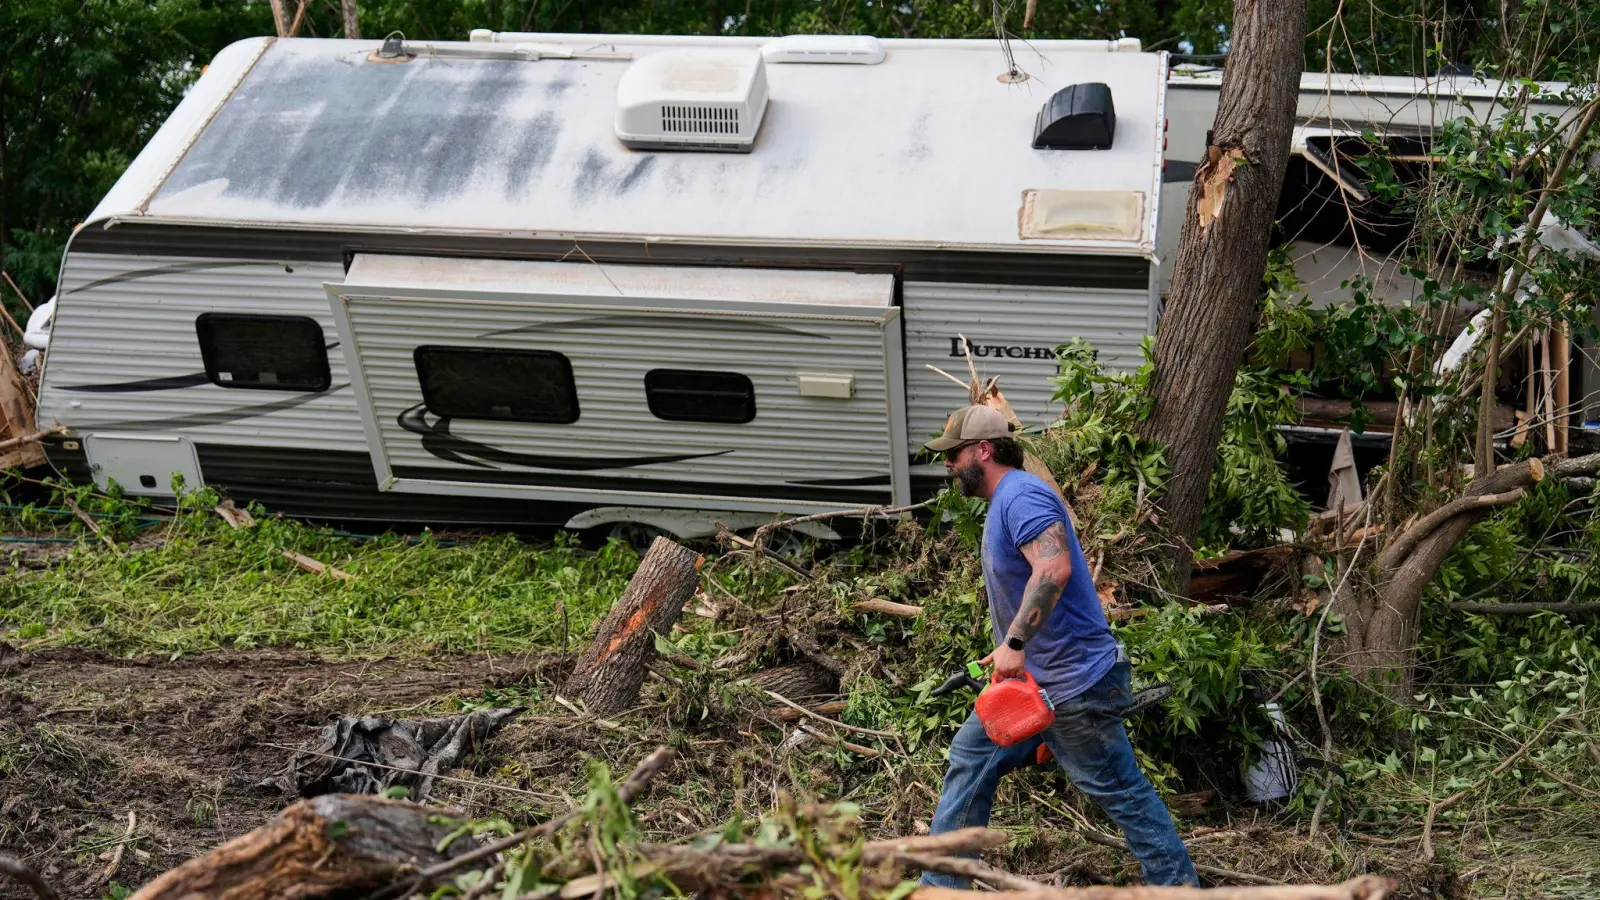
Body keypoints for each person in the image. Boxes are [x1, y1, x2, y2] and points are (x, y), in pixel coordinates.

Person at [920, 405, 1197, 887]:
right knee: (971, 757)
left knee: (1123, 795)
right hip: (1033, 687)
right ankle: (942, 888)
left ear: (983, 450)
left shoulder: (1022, 497)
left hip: (1073, 688)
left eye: (954, 454)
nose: (948, 465)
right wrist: (1009, 654)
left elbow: (1054, 570)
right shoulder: (1004, 501)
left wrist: (1015, 641)